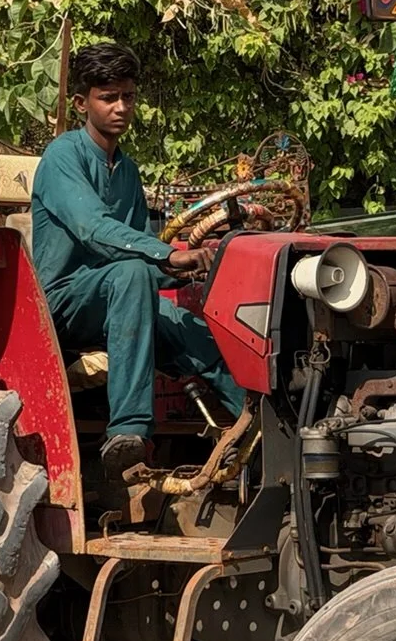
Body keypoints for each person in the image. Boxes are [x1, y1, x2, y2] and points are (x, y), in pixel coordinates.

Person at [31, 41, 244, 475]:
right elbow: (95, 230)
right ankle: (128, 430)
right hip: (65, 304)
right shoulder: (62, 156)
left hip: (122, 297)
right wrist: (168, 255)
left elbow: (143, 253)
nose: (121, 108)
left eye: (128, 97)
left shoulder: (126, 170)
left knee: (198, 332)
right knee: (130, 274)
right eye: (108, 98)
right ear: (81, 103)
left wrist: (192, 269)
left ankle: (258, 432)